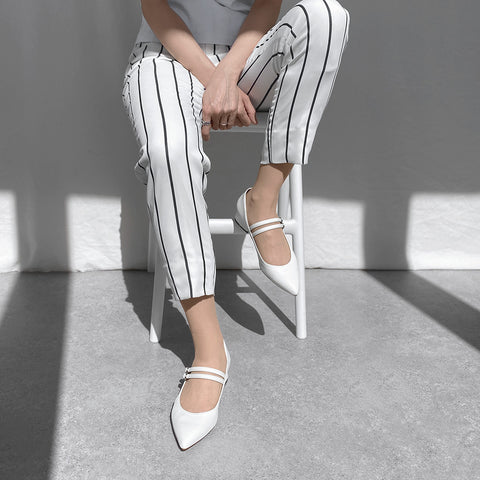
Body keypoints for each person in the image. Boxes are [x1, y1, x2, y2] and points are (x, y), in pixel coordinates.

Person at [121, 0, 350, 450]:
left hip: (246, 58)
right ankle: (210, 352)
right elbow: (154, 6)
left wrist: (227, 73)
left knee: (326, 16)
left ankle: (262, 202)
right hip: (164, 56)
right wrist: (213, 78)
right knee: (170, 153)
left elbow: (267, 4)